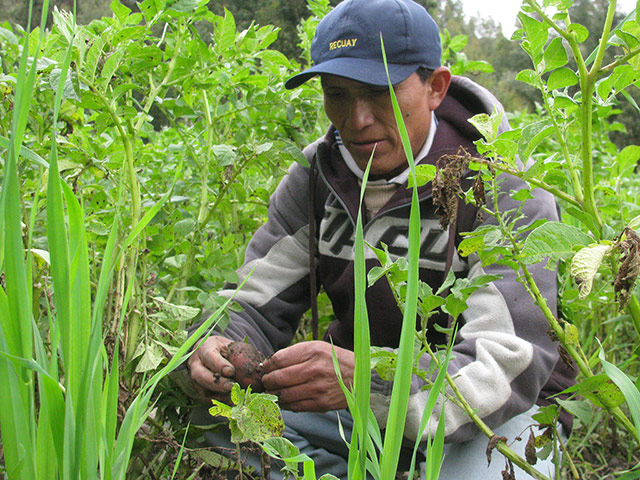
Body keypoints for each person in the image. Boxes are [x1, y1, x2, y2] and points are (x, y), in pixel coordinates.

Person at [180, 0, 576, 478]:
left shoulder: (501, 181)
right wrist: (217, 350)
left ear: (435, 87)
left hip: (500, 412)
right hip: (364, 402)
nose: (357, 118)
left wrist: (370, 381)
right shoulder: (317, 178)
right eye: (338, 93)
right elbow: (251, 304)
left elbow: (507, 364)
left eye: (381, 91)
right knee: (222, 417)